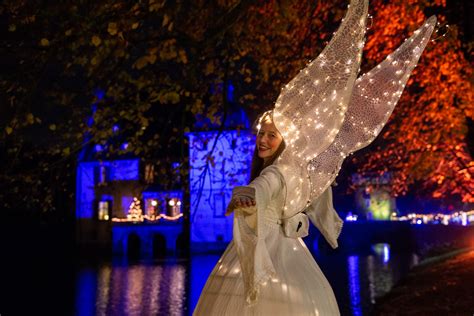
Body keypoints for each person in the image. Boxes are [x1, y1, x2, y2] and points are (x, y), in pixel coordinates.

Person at [193, 111, 341, 315]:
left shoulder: (276, 172)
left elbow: (262, 187)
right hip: (291, 247)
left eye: (272, 135)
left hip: (269, 242)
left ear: (285, 140)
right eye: (261, 133)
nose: (262, 140)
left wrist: (248, 195)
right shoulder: (295, 172)